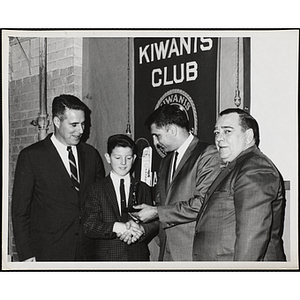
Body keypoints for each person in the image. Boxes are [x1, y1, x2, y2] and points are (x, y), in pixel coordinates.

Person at [135, 108, 286, 261]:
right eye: (216, 133)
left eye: (227, 131)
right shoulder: (234, 166)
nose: (219, 138)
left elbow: (251, 239)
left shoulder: (255, 169)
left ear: (248, 136)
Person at [12, 94, 105, 261]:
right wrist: (26, 254)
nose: (81, 131)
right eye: (74, 125)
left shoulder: (92, 155)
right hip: (49, 253)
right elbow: (20, 212)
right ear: (56, 122)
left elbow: (100, 203)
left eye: (83, 124)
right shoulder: (31, 156)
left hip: (88, 253)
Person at [131, 104, 221, 261]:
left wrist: (156, 212)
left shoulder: (208, 154)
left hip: (192, 253)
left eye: (157, 135)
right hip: (166, 252)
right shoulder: (166, 161)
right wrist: (143, 227)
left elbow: (201, 204)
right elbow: (164, 207)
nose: (155, 143)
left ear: (172, 130)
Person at [83, 134, 159, 261]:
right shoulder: (96, 189)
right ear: (108, 158)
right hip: (107, 260)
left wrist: (141, 230)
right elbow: (90, 226)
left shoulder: (143, 188)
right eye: (117, 157)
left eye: (128, 158)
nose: (123, 163)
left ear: (134, 158)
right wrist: (117, 227)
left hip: (137, 258)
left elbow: (154, 224)